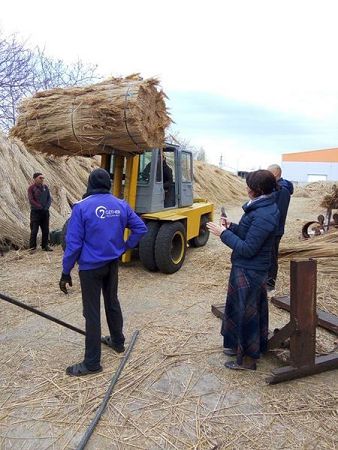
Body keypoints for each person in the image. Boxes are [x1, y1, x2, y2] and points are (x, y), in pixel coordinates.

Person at [59, 168, 147, 377]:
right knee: (112, 302)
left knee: (91, 313)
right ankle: (117, 342)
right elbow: (141, 228)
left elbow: (73, 245)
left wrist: (65, 271)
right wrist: (125, 247)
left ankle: (92, 363)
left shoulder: (81, 208)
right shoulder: (120, 204)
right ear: (108, 183)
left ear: (89, 183)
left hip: (90, 268)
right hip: (112, 264)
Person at [207, 170, 279, 371]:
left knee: (247, 315)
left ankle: (248, 359)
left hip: (251, 270)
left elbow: (247, 249)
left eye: (249, 185)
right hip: (246, 268)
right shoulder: (261, 207)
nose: (246, 188)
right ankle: (237, 346)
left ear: (256, 190)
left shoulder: (264, 214)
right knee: (238, 310)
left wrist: (222, 234)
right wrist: (231, 227)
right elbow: (249, 235)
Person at [267, 164, 293, 291]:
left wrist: (271, 227)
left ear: (276, 173)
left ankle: (270, 284)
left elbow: (280, 212)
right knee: (267, 255)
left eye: (268, 172)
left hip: (275, 230)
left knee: (272, 257)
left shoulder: (282, 191)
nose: (266, 175)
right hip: (270, 228)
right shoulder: (275, 188)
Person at [28, 172, 53, 252]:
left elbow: (49, 198)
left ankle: (45, 245)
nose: (42, 179)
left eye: (43, 178)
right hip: (36, 213)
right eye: (40, 178)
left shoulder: (45, 187)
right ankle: (32, 247)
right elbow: (31, 200)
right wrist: (40, 207)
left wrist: (47, 207)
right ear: (35, 178)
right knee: (34, 230)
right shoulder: (31, 188)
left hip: (45, 212)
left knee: (46, 230)